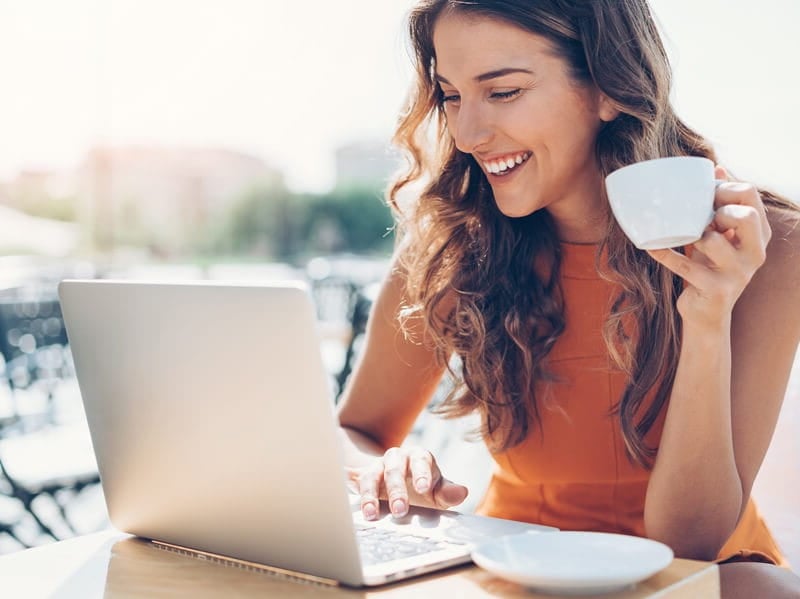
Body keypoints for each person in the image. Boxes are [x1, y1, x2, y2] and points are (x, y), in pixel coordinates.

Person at [335, 1, 800, 596]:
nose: (469, 133)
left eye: (502, 92)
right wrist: (382, 469)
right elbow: (355, 429)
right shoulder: (453, 246)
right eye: (451, 95)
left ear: (609, 87)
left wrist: (707, 316)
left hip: (700, 582)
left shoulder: (760, 245)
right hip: (512, 570)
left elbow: (690, 544)